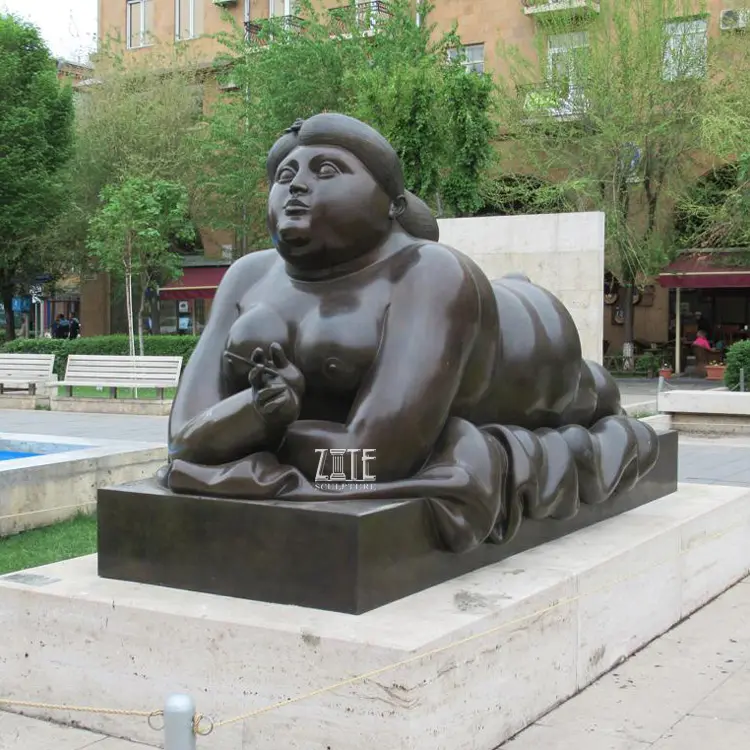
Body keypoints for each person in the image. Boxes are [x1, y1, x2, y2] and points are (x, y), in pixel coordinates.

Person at [161, 113, 658, 554]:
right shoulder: (247, 276)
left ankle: (593, 385)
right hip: (353, 429)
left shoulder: (429, 274)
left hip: (540, 345)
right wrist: (256, 412)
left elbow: (376, 458)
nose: (296, 185)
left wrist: (254, 438)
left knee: (590, 393)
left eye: (326, 170)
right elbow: (183, 439)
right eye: (285, 174)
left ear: (392, 204)